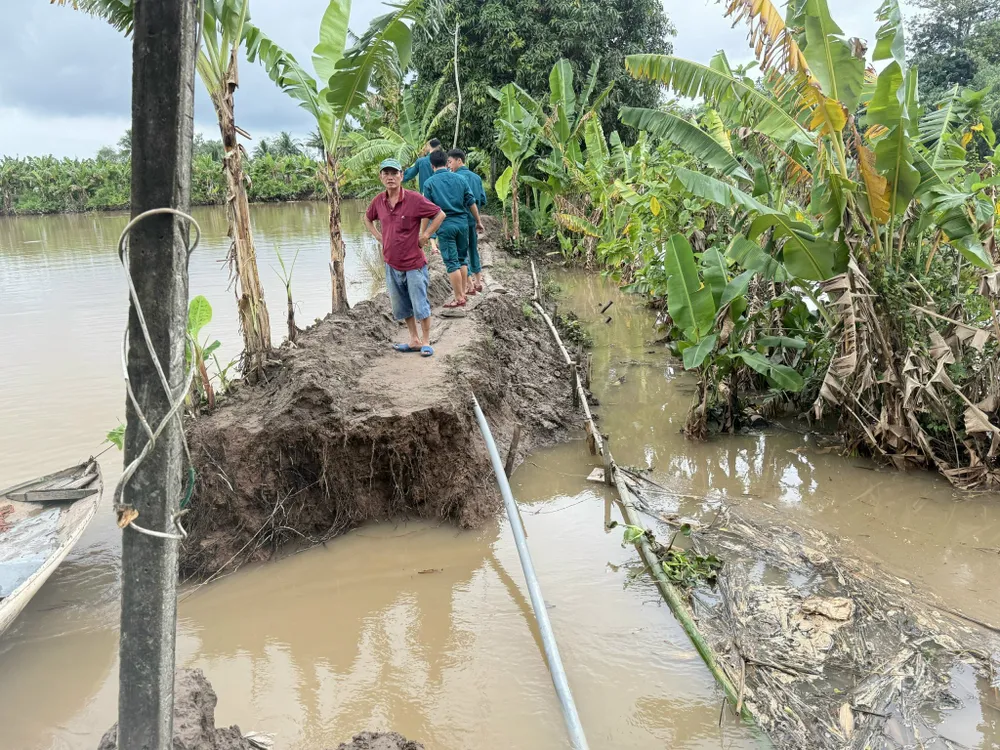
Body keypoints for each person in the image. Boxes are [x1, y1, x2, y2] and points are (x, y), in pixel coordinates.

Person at [364, 158, 446, 357]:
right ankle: (414, 339)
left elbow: (440, 214)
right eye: (386, 173)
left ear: (402, 175)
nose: (390, 177)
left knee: (420, 304)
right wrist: (378, 236)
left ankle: (426, 341)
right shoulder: (379, 201)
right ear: (381, 177)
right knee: (401, 305)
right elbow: (367, 218)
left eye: (394, 173)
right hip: (391, 263)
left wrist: (425, 235)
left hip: (413, 263)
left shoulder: (414, 199)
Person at [422, 149, 484, 309]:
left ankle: (458, 298)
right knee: (463, 259)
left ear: (432, 165)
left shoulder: (429, 183)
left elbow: (426, 212)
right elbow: (472, 202)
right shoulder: (460, 179)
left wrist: (424, 233)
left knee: (451, 262)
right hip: (463, 223)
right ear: (446, 162)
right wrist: (478, 221)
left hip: (445, 225)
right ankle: (463, 293)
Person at [447, 149, 488, 296]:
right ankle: (478, 281)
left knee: (462, 253)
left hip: (459, 220)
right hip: (472, 219)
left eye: (450, 162)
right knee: (473, 249)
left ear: (459, 160)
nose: (449, 166)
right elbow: (482, 199)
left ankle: (469, 284)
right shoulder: (476, 178)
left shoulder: (453, 178)